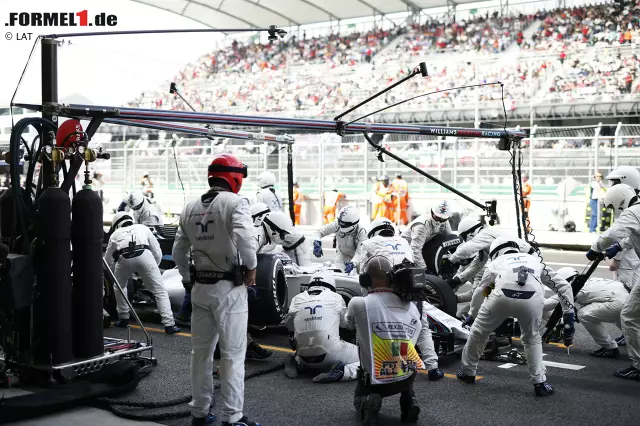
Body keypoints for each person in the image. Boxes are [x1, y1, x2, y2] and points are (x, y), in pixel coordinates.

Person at [171, 153, 261, 426]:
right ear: (234, 178)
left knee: (200, 354)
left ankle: (199, 413)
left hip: (200, 290)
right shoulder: (235, 202)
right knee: (233, 355)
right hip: (229, 290)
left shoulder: (189, 207)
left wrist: (188, 280)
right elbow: (246, 239)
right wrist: (252, 268)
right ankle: (232, 418)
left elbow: (178, 252)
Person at [458, 236, 575, 396]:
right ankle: (540, 383)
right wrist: (568, 313)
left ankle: (468, 372)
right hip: (532, 298)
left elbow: (482, 291)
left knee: (479, 333)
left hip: (500, 297)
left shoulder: (494, 263)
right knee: (532, 338)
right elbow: (563, 286)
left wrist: (473, 313)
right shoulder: (535, 261)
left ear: (495, 252)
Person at [346, 256, 439, 425]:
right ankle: (409, 402)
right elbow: (422, 332)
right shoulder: (412, 306)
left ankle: (369, 400)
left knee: (358, 398)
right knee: (403, 357)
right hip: (406, 375)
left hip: (375, 380)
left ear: (365, 279)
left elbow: (349, 325)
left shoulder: (358, 303)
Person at [587, 183, 640, 380]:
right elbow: (633, 235)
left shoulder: (632, 212)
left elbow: (612, 233)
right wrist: (619, 246)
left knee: (630, 316)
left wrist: (595, 248)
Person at [104, 212, 180, 335]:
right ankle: (169, 324)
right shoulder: (142, 228)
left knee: (119, 287)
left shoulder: (115, 234)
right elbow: (156, 250)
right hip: (145, 254)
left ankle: (123, 318)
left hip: (124, 258)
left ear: (116, 224)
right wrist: (153, 266)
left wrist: (108, 269)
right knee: (160, 291)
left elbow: (108, 260)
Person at [283, 271, 359, 382]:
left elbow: (289, 326)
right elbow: (347, 325)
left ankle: (297, 361)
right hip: (331, 355)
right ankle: (341, 372)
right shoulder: (336, 297)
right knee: (367, 359)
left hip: (304, 356)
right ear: (331, 285)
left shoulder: (296, 299)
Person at [544, 267, 628, 358]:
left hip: (618, 304)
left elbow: (546, 305)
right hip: (629, 299)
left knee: (583, 314)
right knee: (626, 323)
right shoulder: (591, 280)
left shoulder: (573, 289)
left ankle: (609, 347)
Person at [447, 216, 501, 300]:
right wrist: (448, 287)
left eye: (464, 261)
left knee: (465, 312)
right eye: (461, 262)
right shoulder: (484, 249)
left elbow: (476, 295)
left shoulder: (484, 235)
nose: (463, 264)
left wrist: (450, 260)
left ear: (471, 232)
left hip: (491, 296)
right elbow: (465, 273)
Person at [605, 166, 640, 287]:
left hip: (627, 259)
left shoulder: (625, 204)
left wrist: (617, 258)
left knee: (623, 293)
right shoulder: (635, 201)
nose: (613, 186)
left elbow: (622, 234)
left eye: (616, 182)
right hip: (633, 257)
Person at [314, 205, 367, 272]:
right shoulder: (337, 225)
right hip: (342, 255)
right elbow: (319, 232)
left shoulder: (362, 232)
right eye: (340, 223)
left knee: (359, 277)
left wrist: (353, 263)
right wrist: (317, 242)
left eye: (344, 224)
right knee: (341, 275)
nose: (341, 226)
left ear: (354, 224)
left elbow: (360, 252)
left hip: (359, 259)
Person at [400, 200, 452, 270]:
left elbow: (450, 238)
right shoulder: (421, 225)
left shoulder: (445, 221)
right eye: (437, 218)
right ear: (432, 212)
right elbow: (415, 249)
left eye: (442, 219)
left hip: (424, 244)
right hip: (406, 249)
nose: (439, 221)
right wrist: (423, 269)